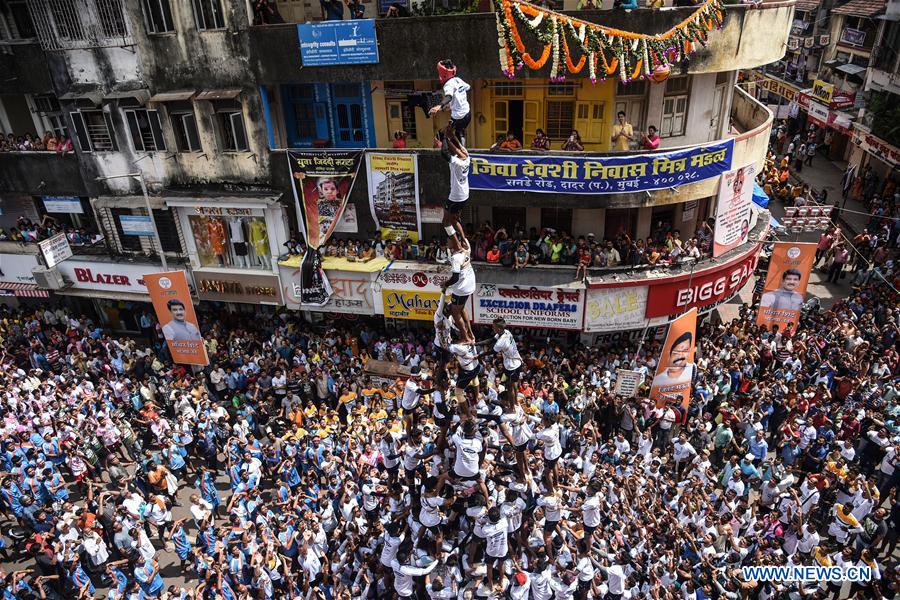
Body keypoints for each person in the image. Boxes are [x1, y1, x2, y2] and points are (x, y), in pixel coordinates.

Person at [429, 59, 471, 146]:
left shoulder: (448, 84)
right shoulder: (458, 80)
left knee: (444, 133)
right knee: (455, 131)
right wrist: (452, 104)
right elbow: (469, 87)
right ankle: (459, 143)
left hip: (458, 117)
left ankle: (458, 151)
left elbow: (449, 97)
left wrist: (439, 106)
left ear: (443, 74)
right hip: (467, 113)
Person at [440, 131, 470, 249]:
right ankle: (463, 240)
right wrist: (452, 137)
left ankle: (458, 245)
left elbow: (444, 152)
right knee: (454, 219)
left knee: (446, 222)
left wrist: (444, 139)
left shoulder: (456, 162)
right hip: (464, 195)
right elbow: (459, 147)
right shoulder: (467, 157)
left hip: (456, 197)